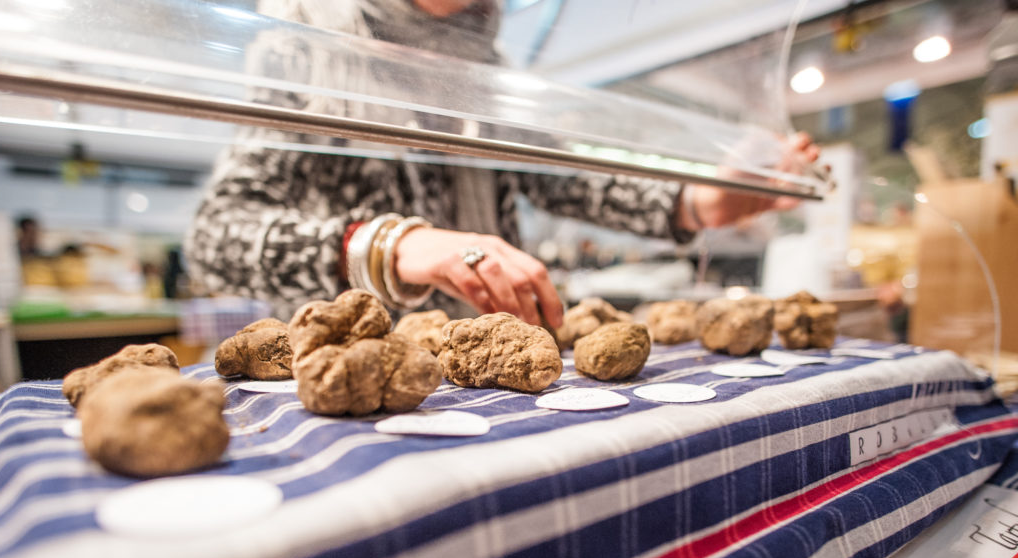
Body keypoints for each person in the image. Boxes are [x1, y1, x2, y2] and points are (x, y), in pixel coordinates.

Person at [187, 0, 820, 327]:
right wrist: (395, 246)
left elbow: (564, 179)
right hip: (354, 386)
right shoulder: (302, 45)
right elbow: (216, 236)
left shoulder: (484, 70)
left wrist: (703, 200)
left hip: (492, 373)